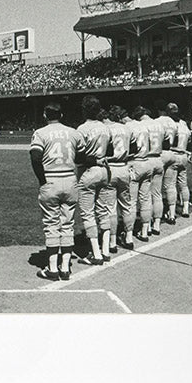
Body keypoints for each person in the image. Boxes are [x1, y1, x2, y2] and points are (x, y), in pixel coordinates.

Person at [29, 102, 80, 280]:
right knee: (67, 224)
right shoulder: (73, 132)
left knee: (51, 225)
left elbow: (35, 158)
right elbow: (81, 156)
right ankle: (65, 267)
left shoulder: (41, 133)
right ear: (62, 115)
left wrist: (42, 180)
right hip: (70, 178)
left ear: (45, 115)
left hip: (51, 179)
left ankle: (52, 268)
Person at [73, 96, 113, 265]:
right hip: (104, 171)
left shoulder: (82, 129)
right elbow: (110, 150)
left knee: (88, 213)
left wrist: (94, 158)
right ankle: (105, 250)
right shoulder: (105, 127)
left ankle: (95, 253)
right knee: (104, 210)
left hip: (88, 172)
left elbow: (79, 157)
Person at [106, 105, 134, 250]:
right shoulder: (127, 128)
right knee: (126, 205)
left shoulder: (108, 129)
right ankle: (129, 238)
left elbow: (105, 149)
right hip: (124, 166)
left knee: (110, 207)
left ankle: (112, 242)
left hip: (111, 167)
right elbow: (134, 148)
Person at [127, 105, 154, 243]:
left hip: (136, 162)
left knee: (131, 201)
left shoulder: (129, 127)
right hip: (147, 161)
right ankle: (145, 230)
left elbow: (132, 148)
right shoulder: (144, 126)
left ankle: (128, 236)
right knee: (145, 199)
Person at [140, 106, 166, 235]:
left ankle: (147, 225)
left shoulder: (141, 125)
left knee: (146, 196)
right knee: (157, 194)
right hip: (158, 158)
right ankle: (157, 224)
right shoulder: (159, 124)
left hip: (147, 158)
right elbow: (166, 140)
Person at [158, 102, 180, 224]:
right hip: (171, 153)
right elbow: (175, 141)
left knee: (156, 189)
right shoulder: (173, 123)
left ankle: (156, 217)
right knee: (171, 186)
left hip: (160, 153)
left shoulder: (158, 121)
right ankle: (172, 214)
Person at [172, 105, 192, 217]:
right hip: (183, 154)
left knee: (171, 185)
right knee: (183, 184)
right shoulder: (184, 125)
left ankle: (172, 210)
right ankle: (186, 208)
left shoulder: (172, 125)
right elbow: (189, 140)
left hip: (175, 153)